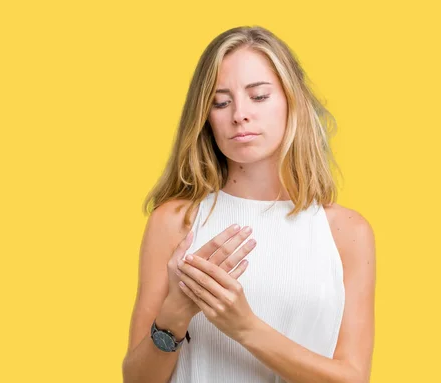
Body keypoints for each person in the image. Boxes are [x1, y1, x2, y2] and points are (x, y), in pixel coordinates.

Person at [121, 25, 376, 383]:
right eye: (221, 102)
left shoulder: (346, 232)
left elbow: (353, 379)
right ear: (205, 117)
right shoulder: (176, 222)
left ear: (292, 99)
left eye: (258, 96)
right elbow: (136, 379)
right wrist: (175, 313)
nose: (239, 114)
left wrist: (245, 328)